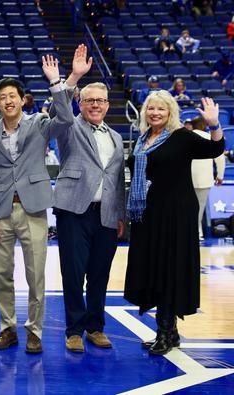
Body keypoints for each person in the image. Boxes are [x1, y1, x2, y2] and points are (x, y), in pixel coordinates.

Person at [0, 47, 88, 354]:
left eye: (13, 95)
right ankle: (7, 328)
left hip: (34, 208)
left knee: (36, 273)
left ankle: (35, 331)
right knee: (1, 274)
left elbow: (66, 118)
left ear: (23, 99)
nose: (9, 101)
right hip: (0, 212)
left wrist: (59, 82)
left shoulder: (39, 123)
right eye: (3, 97)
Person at [125, 92, 224, 355]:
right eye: (151, 108)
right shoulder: (143, 140)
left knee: (168, 269)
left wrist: (213, 125)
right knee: (154, 269)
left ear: (171, 112)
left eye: (161, 109)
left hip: (175, 215)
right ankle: (170, 332)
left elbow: (215, 149)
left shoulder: (181, 136)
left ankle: (165, 332)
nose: (155, 113)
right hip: (148, 214)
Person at [52, 81, 126, 353]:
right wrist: (65, 82)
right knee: (73, 273)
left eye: (101, 101)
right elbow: (58, 112)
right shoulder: (69, 127)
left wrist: (119, 214)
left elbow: (117, 180)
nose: (96, 105)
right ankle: (74, 330)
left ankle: (95, 327)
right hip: (74, 211)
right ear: (80, 103)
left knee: (99, 274)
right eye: (90, 100)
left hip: (106, 215)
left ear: (108, 104)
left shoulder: (116, 138)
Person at [190, 116, 225, 241]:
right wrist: (220, 176)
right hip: (204, 179)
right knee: (200, 206)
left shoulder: (186, 137)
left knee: (186, 207)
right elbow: (220, 159)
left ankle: (189, 232)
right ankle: (196, 232)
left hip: (186, 179)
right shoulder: (211, 137)